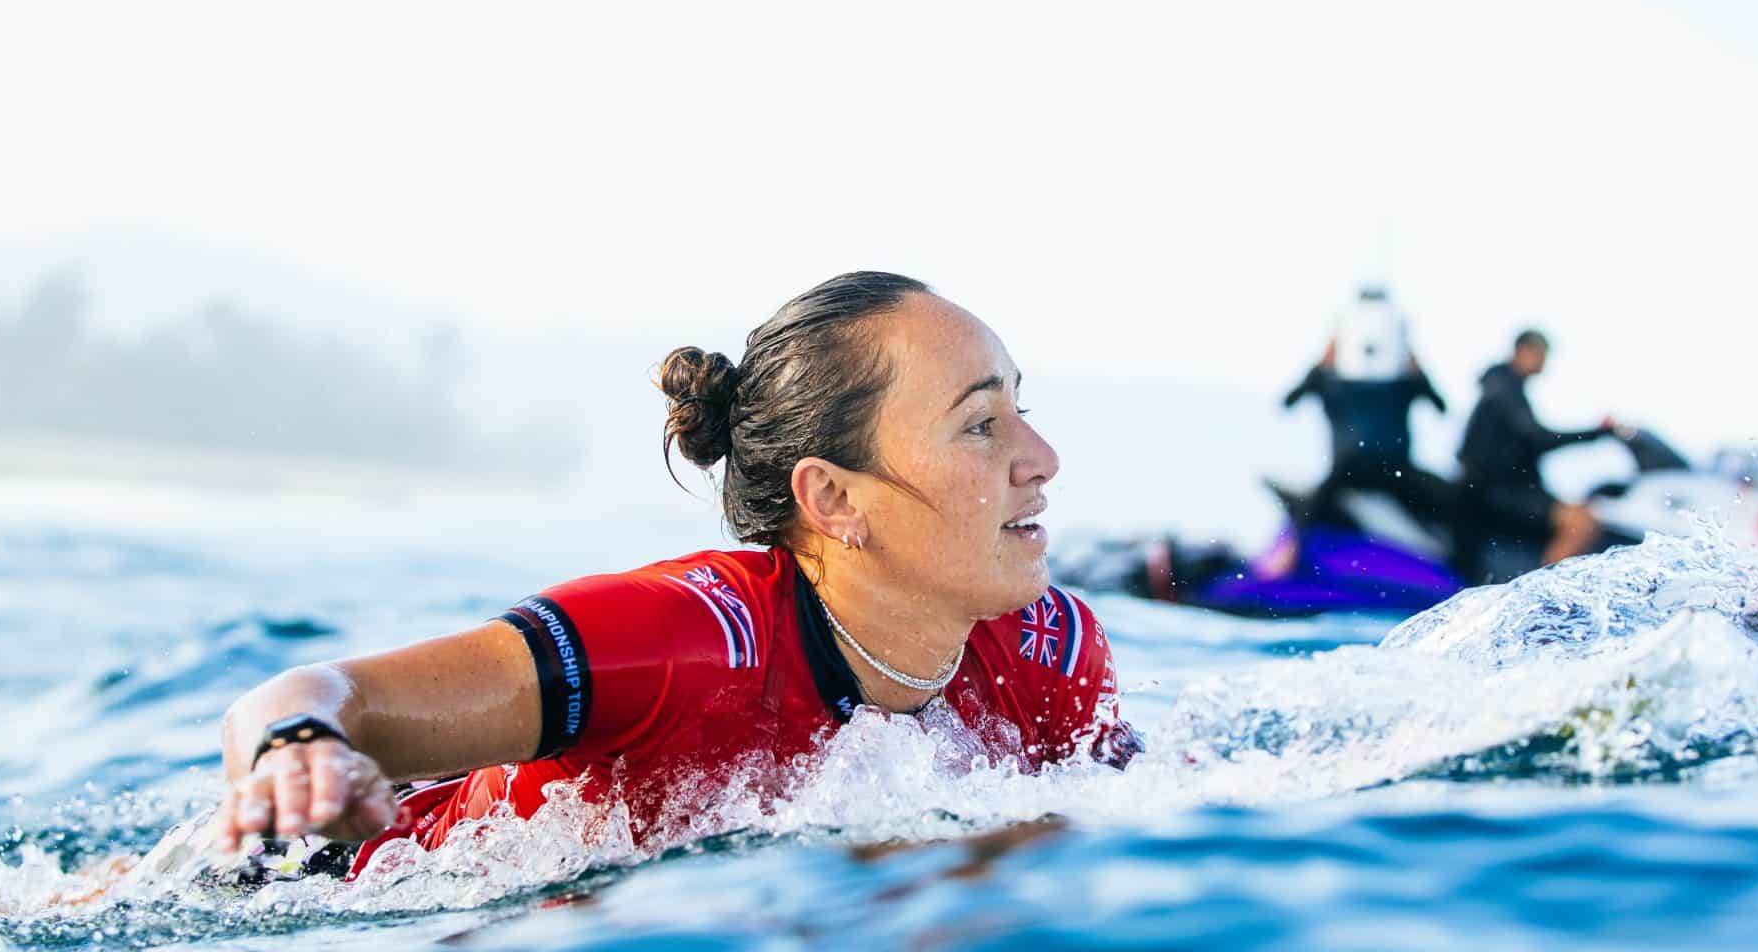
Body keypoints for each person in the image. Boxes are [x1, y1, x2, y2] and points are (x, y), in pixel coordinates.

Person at [210, 272, 1136, 877]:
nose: (1042, 455)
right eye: (981, 425)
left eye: (1024, 409)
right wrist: (299, 754)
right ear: (834, 500)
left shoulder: (1049, 653)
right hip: (317, 902)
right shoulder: (683, 640)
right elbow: (308, 697)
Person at [1456, 327, 1628, 576]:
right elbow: (1537, 438)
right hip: (1495, 492)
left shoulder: (1505, 386)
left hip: (1506, 488)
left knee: (1583, 511)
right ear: (1523, 352)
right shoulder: (1504, 389)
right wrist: (1598, 432)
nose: (1544, 363)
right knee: (1580, 522)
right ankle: (1546, 597)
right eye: (1541, 355)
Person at [1281, 287, 1455, 532]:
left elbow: (1441, 407)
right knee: (1309, 511)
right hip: (1350, 472)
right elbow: (1289, 401)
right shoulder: (1331, 379)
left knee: (1455, 500)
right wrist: (1322, 363)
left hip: (1394, 472)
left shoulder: (1403, 380)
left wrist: (1414, 367)